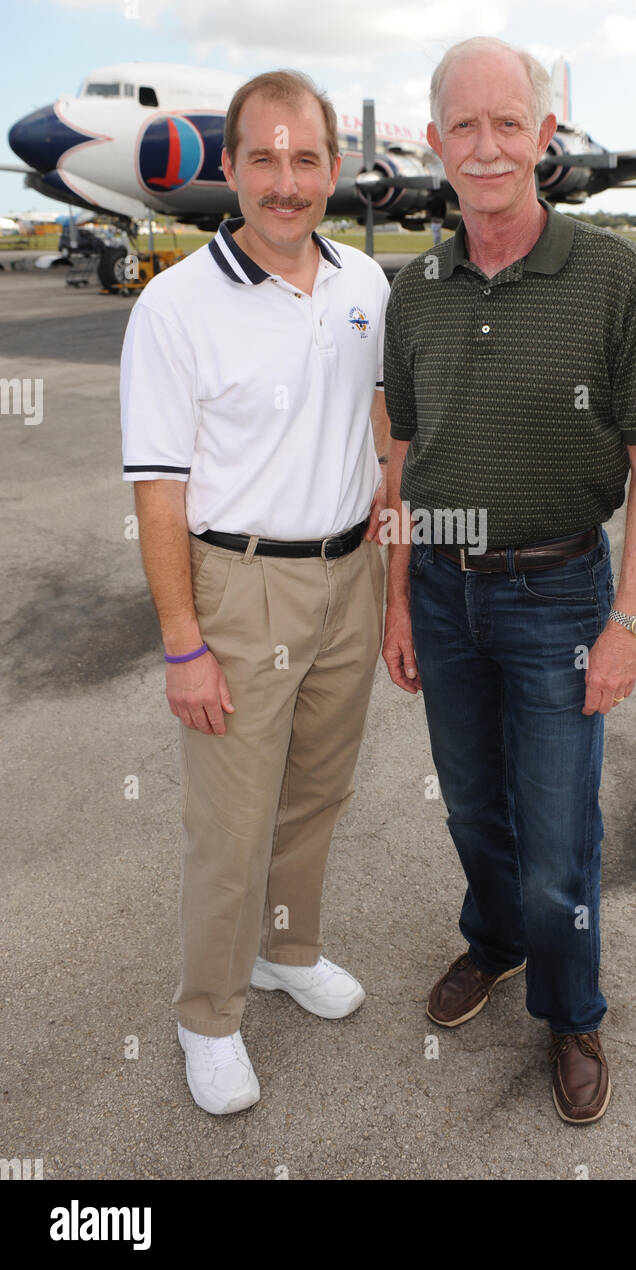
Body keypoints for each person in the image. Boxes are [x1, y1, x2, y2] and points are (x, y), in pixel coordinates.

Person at [382, 36, 636, 1124]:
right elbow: (402, 457)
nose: (486, 144)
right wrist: (395, 601)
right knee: (472, 807)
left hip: (559, 593)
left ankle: (571, 1010)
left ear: (543, 138)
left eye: (508, 123)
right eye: (464, 125)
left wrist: (628, 620)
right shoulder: (412, 288)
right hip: (441, 596)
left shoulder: (611, 276)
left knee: (558, 833)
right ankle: (496, 944)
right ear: (435, 145)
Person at [120, 70, 389, 1115]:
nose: (287, 182)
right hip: (238, 586)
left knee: (316, 794)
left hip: (347, 574)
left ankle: (288, 950)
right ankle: (208, 1015)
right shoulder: (174, 305)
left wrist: (393, 571)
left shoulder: (366, 283)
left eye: (306, 158)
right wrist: (183, 643)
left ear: (334, 168)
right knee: (230, 823)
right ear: (226, 167)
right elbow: (156, 487)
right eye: (263, 159)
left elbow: (381, 432)